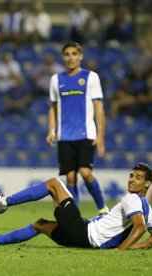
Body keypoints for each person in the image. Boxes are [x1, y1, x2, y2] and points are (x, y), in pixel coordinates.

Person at [0, 163, 152, 250]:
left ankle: (4, 202)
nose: (132, 180)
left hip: (83, 232)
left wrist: (122, 249)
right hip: (83, 241)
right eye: (131, 175)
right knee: (40, 225)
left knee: (54, 183)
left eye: (138, 178)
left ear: (147, 184)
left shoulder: (132, 199)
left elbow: (140, 226)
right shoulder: (146, 208)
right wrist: (132, 247)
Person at [46, 42, 108, 214]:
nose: (70, 57)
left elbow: (99, 107)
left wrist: (101, 136)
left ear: (81, 56)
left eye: (74, 53)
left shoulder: (91, 77)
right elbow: (53, 107)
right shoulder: (56, 80)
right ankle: (75, 215)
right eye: (67, 54)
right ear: (63, 57)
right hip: (65, 136)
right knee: (70, 177)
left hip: (86, 133)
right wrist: (51, 130)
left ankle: (103, 209)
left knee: (86, 173)